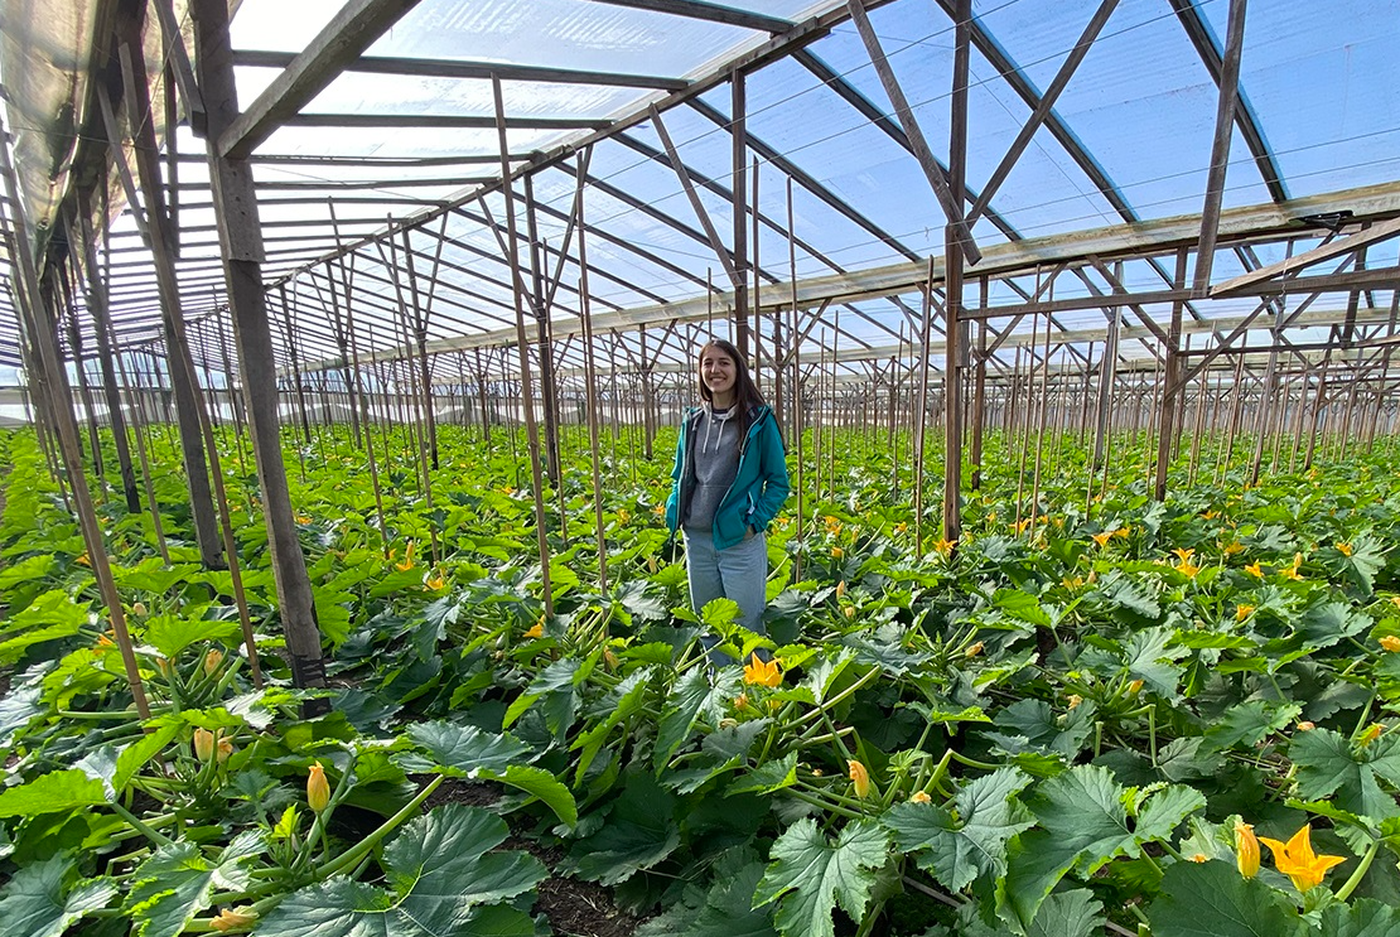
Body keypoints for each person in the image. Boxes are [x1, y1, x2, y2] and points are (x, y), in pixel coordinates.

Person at [665, 339, 790, 656]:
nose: (715, 370)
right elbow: (680, 473)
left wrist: (754, 523)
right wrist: (674, 508)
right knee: (710, 626)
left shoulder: (758, 421)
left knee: (748, 626)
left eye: (723, 362)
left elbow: (778, 482)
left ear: (737, 370)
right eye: (707, 363)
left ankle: (756, 684)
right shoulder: (692, 421)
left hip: (738, 540)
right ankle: (719, 683)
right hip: (697, 538)